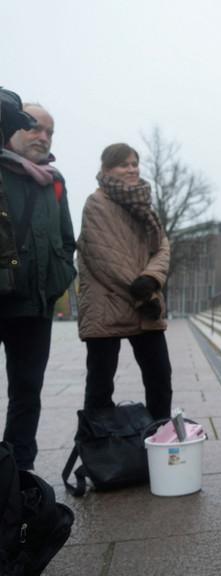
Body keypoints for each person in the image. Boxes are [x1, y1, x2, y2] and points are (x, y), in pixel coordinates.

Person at [0, 98, 76, 471]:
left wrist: (57, 280)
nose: (43, 136)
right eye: (34, 127)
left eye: (50, 132)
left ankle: (18, 474)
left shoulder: (54, 182)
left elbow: (66, 240)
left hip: (35, 305)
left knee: (27, 392)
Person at [77, 143, 172, 421]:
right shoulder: (96, 203)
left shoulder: (144, 205)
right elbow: (105, 257)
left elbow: (162, 247)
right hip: (107, 303)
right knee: (100, 384)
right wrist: (143, 291)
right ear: (107, 169)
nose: (131, 169)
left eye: (134, 163)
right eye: (123, 164)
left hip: (145, 301)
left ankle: (158, 435)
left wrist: (150, 279)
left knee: (160, 378)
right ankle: (98, 443)